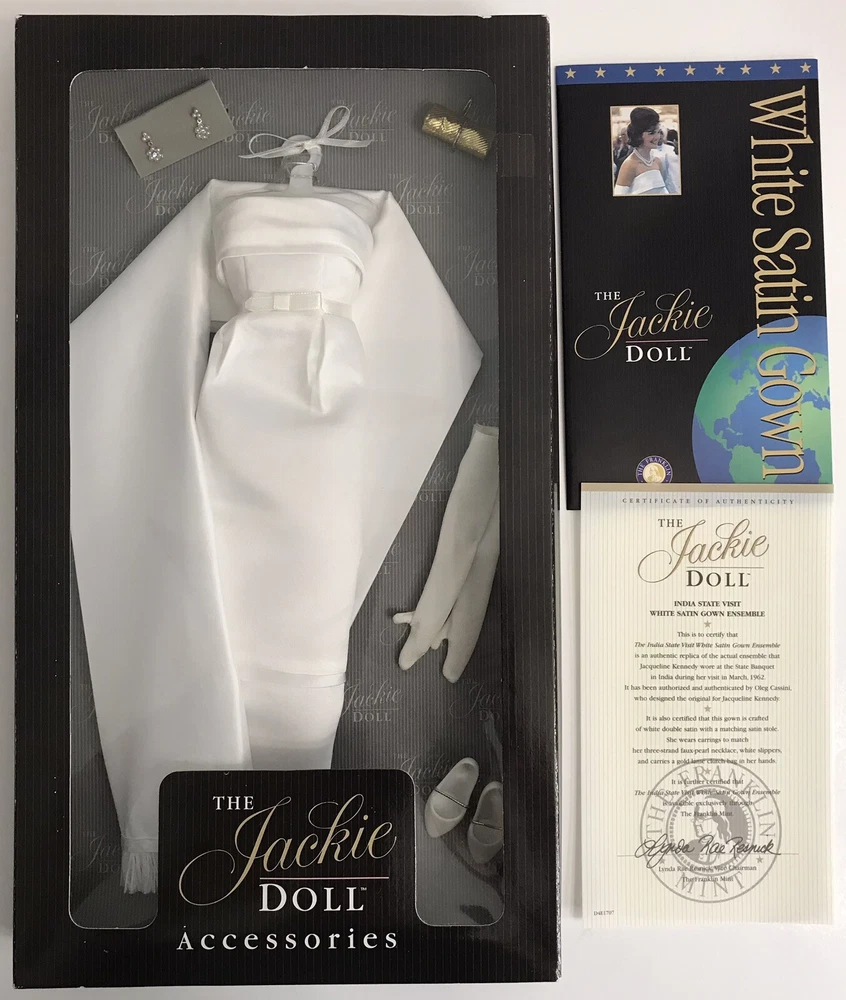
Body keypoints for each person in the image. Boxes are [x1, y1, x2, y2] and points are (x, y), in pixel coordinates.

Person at [614, 107, 672, 196]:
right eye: (651, 133)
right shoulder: (630, 165)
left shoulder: (657, 162)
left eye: (658, 132)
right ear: (638, 135)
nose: (657, 137)